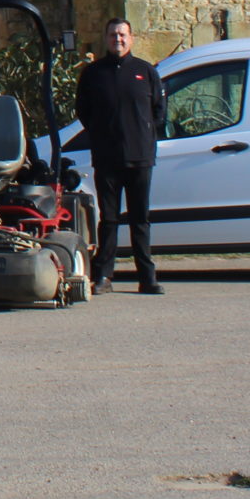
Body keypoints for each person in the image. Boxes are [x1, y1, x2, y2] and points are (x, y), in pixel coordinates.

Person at [74, 18, 166, 294]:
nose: (118, 39)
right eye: (113, 34)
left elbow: (159, 112)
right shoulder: (93, 73)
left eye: (123, 35)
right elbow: (83, 112)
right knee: (110, 220)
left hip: (140, 157)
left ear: (131, 38)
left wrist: (144, 135)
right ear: (106, 38)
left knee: (140, 219)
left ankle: (147, 277)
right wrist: (103, 134)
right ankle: (104, 277)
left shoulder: (145, 71)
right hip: (107, 156)